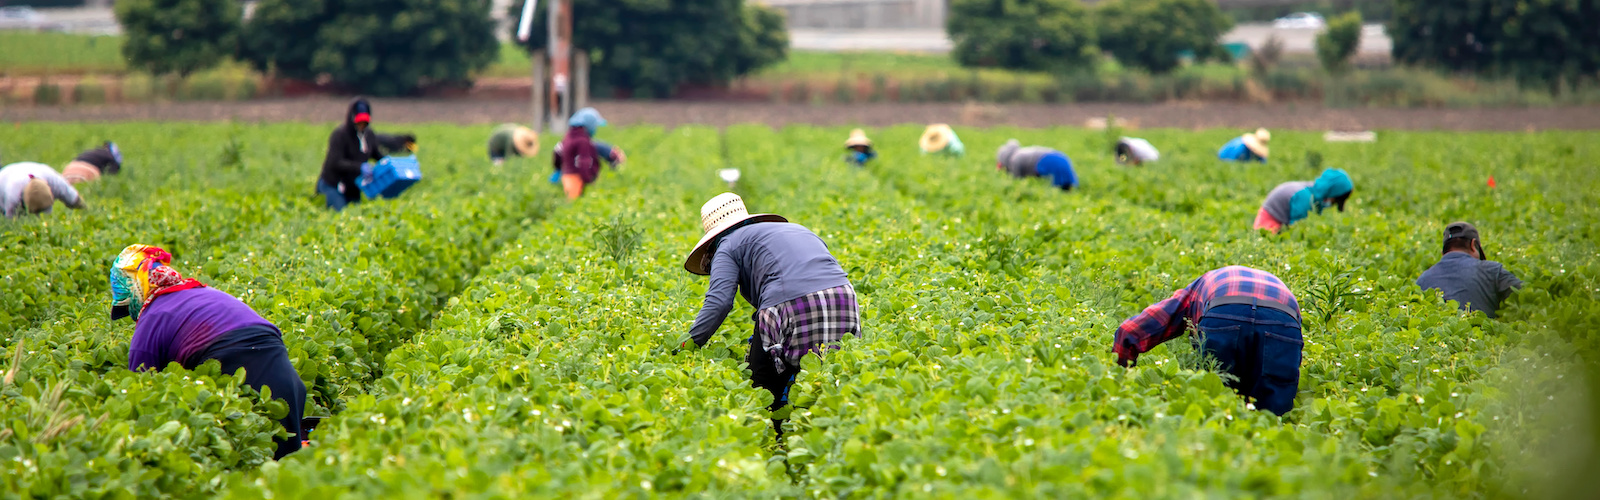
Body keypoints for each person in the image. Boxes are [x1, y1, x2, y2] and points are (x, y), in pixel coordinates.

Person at [681, 193, 860, 439]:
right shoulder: (796, 229)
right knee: (830, 372)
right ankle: (832, 432)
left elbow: (719, 302)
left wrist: (688, 343)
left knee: (762, 382)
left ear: (712, 239)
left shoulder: (727, 246)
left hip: (790, 303)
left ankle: (778, 437)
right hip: (843, 297)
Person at [109, 244, 306, 459]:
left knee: (244, 460)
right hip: (276, 355)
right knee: (289, 457)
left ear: (134, 288)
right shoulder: (200, 291)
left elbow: (141, 391)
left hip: (229, 354)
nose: (131, 315)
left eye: (127, 307)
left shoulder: (152, 318)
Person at [1112, 266, 1303, 416]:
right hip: (1284, 318)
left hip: (1225, 309)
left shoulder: (1195, 290)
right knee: (1274, 415)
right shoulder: (1280, 288)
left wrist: (1119, 378)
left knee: (1213, 400)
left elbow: (1130, 331)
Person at [317, 98, 416, 211]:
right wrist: (360, 167)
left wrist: (391, 164)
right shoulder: (340, 135)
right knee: (340, 213)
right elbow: (335, 162)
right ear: (352, 118)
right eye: (359, 121)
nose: (362, 125)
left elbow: (377, 155)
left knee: (355, 214)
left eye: (365, 122)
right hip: (333, 184)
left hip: (353, 187)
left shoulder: (369, 135)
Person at [1416, 222, 1523, 318]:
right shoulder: (1493, 271)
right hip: (1482, 338)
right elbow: (1525, 295)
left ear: (1443, 253)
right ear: (1473, 245)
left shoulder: (1422, 280)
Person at [1254, 168, 1353, 233]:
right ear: (1332, 193)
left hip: (1279, 223)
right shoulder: (1304, 197)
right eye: (1335, 200)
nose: (1331, 204)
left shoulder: (1313, 191)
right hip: (1268, 226)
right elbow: (1297, 229)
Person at [555, 107, 625, 200]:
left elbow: (557, 151)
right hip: (577, 178)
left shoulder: (569, 137)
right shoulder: (583, 141)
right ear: (589, 125)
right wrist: (588, 178)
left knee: (572, 202)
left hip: (568, 175)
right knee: (575, 203)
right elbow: (584, 161)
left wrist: (558, 168)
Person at [1, 161, 86, 218]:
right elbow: (11, 220)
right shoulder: (12, 195)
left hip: (29, 170)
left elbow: (75, 200)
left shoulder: (55, 181)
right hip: (4, 178)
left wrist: (85, 213)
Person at [996, 139, 1078, 191]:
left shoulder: (1015, 159)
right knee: (1066, 188)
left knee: (1056, 190)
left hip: (1049, 161)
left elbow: (1017, 181)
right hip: (1061, 157)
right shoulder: (1021, 152)